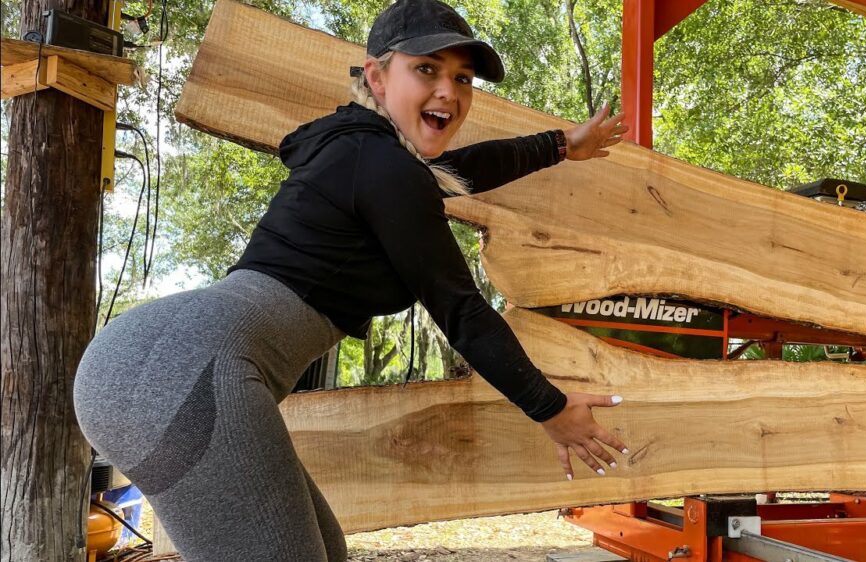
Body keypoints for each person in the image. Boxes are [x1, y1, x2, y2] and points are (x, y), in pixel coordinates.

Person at [74, 0, 630, 560]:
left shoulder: (367, 152)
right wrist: (552, 410)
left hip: (157, 362)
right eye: (427, 69)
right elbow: (461, 310)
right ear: (376, 76)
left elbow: (465, 170)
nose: (449, 91)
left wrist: (562, 145)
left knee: (325, 549)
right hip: (180, 374)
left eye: (462, 78)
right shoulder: (382, 164)